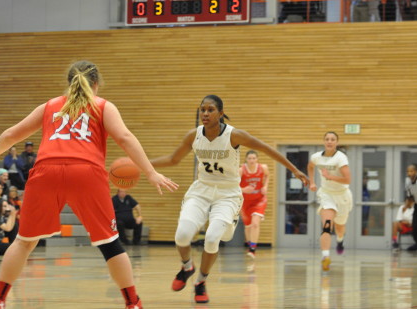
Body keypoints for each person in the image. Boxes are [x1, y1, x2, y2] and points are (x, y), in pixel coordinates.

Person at [0, 60, 177, 309]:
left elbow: (11, 135)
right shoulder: (103, 106)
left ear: (69, 82)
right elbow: (125, 137)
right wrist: (150, 172)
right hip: (86, 172)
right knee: (109, 243)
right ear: (96, 84)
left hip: (45, 172)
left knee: (24, 242)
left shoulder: (50, 105)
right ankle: (133, 303)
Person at [150, 95, 308, 304]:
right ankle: (187, 267)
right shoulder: (193, 135)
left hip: (228, 194)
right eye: (202, 110)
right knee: (182, 235)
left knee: (213, 237)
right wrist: (140, 163)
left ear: (221, 113)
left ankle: (201, 282)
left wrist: (295, 170)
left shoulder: (234, 135)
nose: (205, 114)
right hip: (201, 190)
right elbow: (173, 159)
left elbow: (266, 149)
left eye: (210, 110)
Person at [307, 132, 352, 272]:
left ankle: (340, 241)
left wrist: (330, 176)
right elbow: (310, 166)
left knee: (339, 228)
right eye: (327, 139)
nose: (329, 141)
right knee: (327, 225)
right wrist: (312, 182)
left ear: (336, 142)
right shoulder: (316, 157)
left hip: (342, 195)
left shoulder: (341, 158)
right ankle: (325, 257)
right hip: (326, 194)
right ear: (324, 142)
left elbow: (347, 180)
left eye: (333, 139)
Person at [240, 150, 269, 259]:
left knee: (255, 223)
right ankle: (250, 246)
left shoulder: (263, 168)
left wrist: (265, 186)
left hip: (259, 200)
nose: (252, 160)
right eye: (249, 158)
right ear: (246, 159)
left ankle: (253, 249)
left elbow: (267, 176)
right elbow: (233, 186)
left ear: (257, 159)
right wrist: (243, 189)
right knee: (248, 227)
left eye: (254, 158)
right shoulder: (241, 170)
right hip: (245, 201)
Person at [404, 164, 417, 251]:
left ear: (416, 172)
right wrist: (406, 205)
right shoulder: (408, 183)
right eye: (408, 171)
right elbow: (410, 196)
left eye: (411, 171)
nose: (409, 173)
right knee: (415, 227)